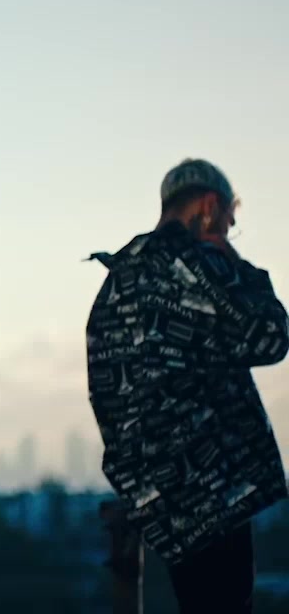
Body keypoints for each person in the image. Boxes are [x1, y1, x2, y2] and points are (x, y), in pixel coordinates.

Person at [85, 158, 289, 614]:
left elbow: (104, 386)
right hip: (209, 483)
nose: (229, 235)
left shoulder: (118, 279)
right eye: (230, 223)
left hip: (151, 492)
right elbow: (271, 337)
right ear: (210, 207)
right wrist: (236, 264)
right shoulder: (199, 266)